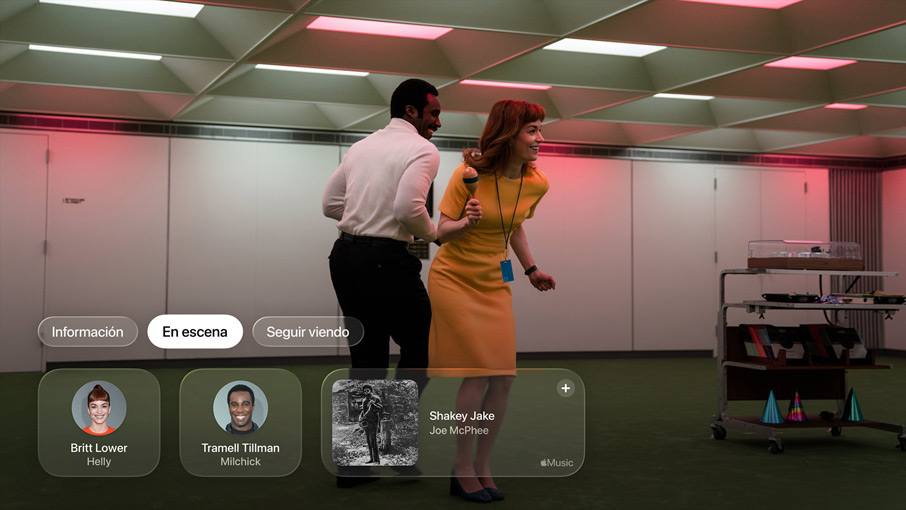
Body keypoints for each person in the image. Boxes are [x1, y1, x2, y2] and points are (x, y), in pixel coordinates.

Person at [428, 99, 556, 503]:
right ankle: (461, 466)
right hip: (454, 279)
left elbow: (513, 226)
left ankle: (483, 464)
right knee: (478, 372)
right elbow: (440, 231)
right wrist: (466, 222)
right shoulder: (468, 175)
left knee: (503, 377)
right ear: (508, 134)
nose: (540, 138)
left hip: (495, 281)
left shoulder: (537, 183)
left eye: (540, 129)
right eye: (532, 130)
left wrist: (531, 269)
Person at [323, 79, 441, 376]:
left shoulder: (361, 146)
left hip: (344, 259)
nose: (438, 122)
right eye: (434, 113)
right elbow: (408, 209)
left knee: (367, 358)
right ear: (411, 110)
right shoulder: (423, 149)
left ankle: (370, 411)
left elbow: (330, 204)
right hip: (385, 262)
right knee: (421, 347)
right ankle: (396, 409)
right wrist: (434, 234)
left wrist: (370, 218)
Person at [357, 384, 384, 464]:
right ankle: (371, 459)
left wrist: (373, 404)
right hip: (366, 422)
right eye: (365, 391)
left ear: (371, 390)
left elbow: (380, 408)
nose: (366, 392)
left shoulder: (376, 398)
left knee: (373, 440)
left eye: (367, 390)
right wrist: (361, 418)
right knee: (368, 441)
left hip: (373, 421)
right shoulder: (364, 400)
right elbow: (363, 410)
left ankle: (377, 460)